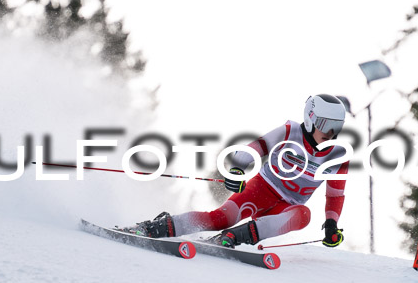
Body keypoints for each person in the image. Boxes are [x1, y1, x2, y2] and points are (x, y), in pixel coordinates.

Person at [123, 94, 349, 249]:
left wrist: (331, 224)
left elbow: (335, 195)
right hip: (262, 189)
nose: (330, 132)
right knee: (222, 217)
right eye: (325, 123)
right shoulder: (290, 131)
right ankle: (153, 228)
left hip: (286, 207)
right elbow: (257, 147)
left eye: (336, 127)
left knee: (303, 216)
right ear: (310, 119)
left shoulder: (338, 156)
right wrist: (238, 169)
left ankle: (233, 237)